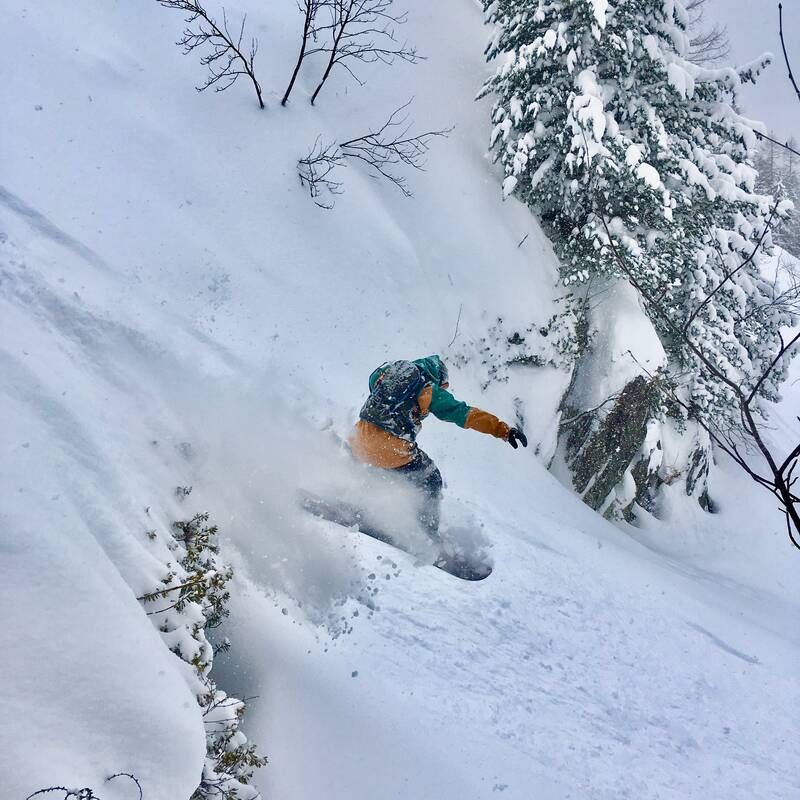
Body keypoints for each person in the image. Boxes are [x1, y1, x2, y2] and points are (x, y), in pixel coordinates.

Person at [349, 355, 527, 540]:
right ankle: (426, 537)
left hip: (357, 439)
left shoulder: (386, 373)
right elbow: (464, 414)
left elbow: (373, 384)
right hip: (392, 448)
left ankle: (357, 506)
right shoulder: (429, 389)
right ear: (438, 378)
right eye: (443, 386)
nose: (443, 390)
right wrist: (502, 430)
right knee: (430, 478)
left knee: (378, 470)